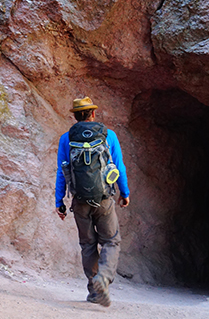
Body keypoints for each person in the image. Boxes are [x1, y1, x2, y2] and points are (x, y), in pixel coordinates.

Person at [54, 96, 130, 307]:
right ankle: (103, 279)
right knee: (111, 241)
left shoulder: (66, 138)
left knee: (88, 245)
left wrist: (58, 201)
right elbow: (119, 167)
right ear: (93, 113)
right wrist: (124, 193)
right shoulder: (109, 135)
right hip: (104, 199)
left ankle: (94, 291)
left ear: (75, 116)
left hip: (79, 200)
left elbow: (62, 172)